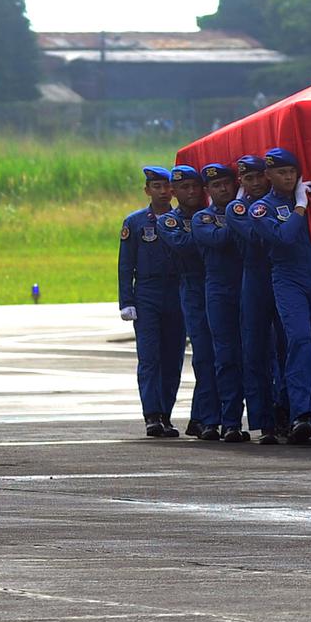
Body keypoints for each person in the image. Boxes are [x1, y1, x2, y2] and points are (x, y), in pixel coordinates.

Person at [247, 148, 311, 445]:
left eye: (292, 172)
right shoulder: (261, 208)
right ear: (268, 175)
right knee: (300, 340)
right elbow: (283, 237)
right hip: (288, 276)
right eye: (282, 172)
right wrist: (300, 207)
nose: (288, 177)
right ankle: (299, 413)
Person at [117, 167, 184, 438]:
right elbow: (125, 265)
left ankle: (166, 414)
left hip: (177, 291)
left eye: (167, 187)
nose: (163, 192)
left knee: (173, 357)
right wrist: (126, 300)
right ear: (147, 190)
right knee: (149, 357)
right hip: (147, 292)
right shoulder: (134, 223)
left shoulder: (182, 219)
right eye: (157, 187)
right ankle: (152, 415)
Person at [224, 155, 283, 444]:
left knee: (287, 347)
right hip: (255, 278)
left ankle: (288, 416)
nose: (256, 182)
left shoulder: (280, 203)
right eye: (249, 178)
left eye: (260, 176)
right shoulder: (237, 209)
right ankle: (264, 421)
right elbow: (257, 236)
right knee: (255, 350)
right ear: (241, 182)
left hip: (284, 275)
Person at [157, 165, 219, 439]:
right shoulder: (168, 221)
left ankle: (202, 416)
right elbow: (183, 245)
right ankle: (204, 416)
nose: (191, 191)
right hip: (193, 287)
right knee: (204, 354)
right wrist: (207, 231)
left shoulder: (214, 214)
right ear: (174, 192)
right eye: (185, 187)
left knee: (222, 354)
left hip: (218, 282)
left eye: (195, 186)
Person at [191, 164, 249, 442]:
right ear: (208, 190)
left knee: (253, 355)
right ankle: (226, 421)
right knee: (224, 357)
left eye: (227, 183)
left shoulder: (247, 210)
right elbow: (219, 239)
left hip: (247, 286)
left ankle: (264, 420)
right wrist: (238, 212)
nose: (223, 188)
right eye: (216, 185)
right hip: (219, 290)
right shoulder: (202, 218)